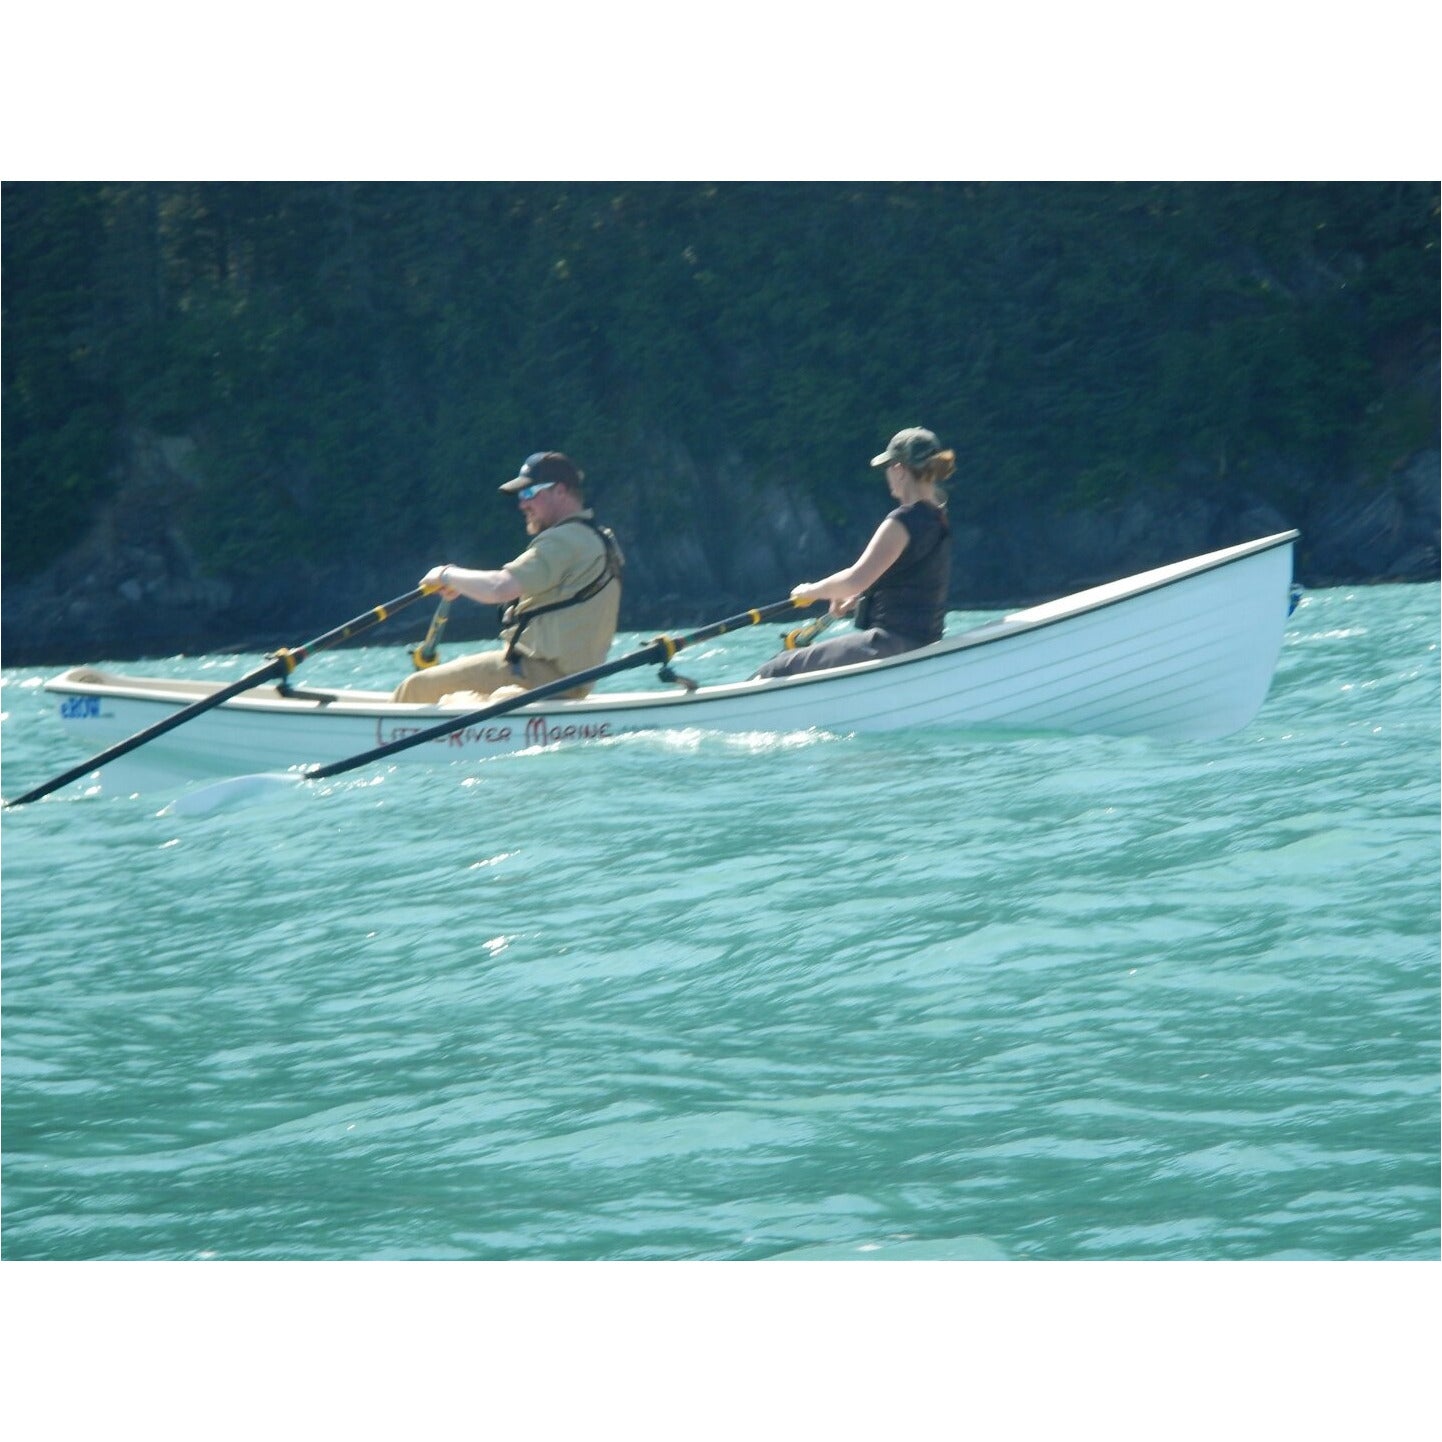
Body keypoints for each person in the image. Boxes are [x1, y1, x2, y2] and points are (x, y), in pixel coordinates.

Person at [393, 451, 623, 704]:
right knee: (457, 700)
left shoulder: (562, 540)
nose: (522, 504)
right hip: (572, 683)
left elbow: (499, 588)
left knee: (415, 688)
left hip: (535, 675)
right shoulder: (600, 538)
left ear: (560, 491)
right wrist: (461, 584)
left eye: (529, 493)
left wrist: (446, 574)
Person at [754, 426, 954, 679]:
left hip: (888, 644)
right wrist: (858, 596)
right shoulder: (938, 517)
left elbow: (854, 579)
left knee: (778, 667)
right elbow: (906, 575)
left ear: (899, 470)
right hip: (922, 640)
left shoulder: (902, 521)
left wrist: (810, 592)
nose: (888, 475)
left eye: (888, 468)